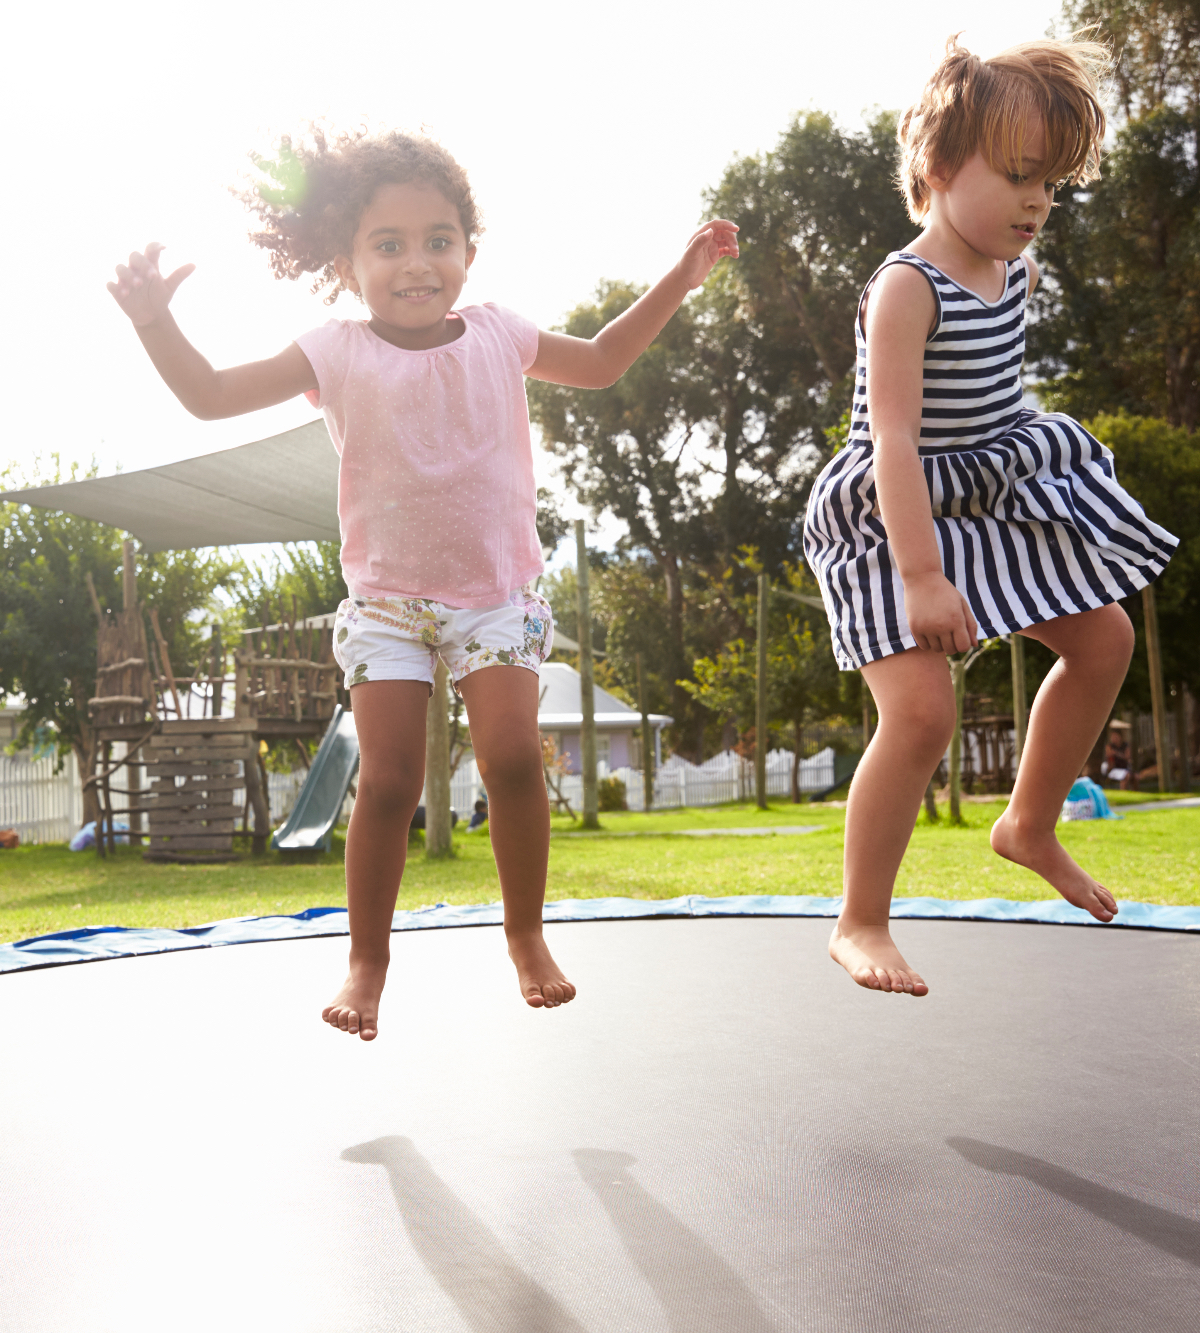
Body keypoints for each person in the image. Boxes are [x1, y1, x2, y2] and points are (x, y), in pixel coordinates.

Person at [108, 128, 738, 1039]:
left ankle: (526, 935)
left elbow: (600, 362)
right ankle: (367, 961)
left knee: (515, 759)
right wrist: (154, 322)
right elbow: (209, 395)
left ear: (469, 252)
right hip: (388, 604)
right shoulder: (334, 350)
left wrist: (679, 279)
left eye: (439, 240)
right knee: (391, 778)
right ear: (347, 262)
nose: (417, 262)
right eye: (389, 244)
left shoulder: (499, 333)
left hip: (495, 593)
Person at [802, 38, 1177, 997]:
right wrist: (922, 577)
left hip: (986, 492)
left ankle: (1030, 823)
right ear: (935, 169)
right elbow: (891, 442)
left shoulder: (1021, 273)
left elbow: (996, 393)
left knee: (1104, 638)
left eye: (1051, 183)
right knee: (923, 715)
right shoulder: (903, 289)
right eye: (1017, 177)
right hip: (893, 516)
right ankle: (861, 920)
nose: (1037, 202)